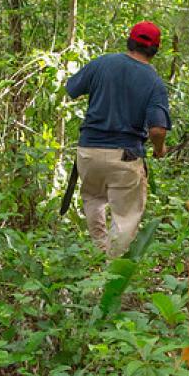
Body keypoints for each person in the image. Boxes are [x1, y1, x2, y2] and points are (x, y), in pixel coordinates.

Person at [64, 20, 171, 257]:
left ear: (129, 41)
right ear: (155, 50)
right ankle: (112, 267)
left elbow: (71, 88)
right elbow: (157, 130)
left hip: (89, 152)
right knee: (125, 217)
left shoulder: (102, 63)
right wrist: (159, 149)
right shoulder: (154, 82)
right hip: (125, 156)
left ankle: (98, 254)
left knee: (93, 199)